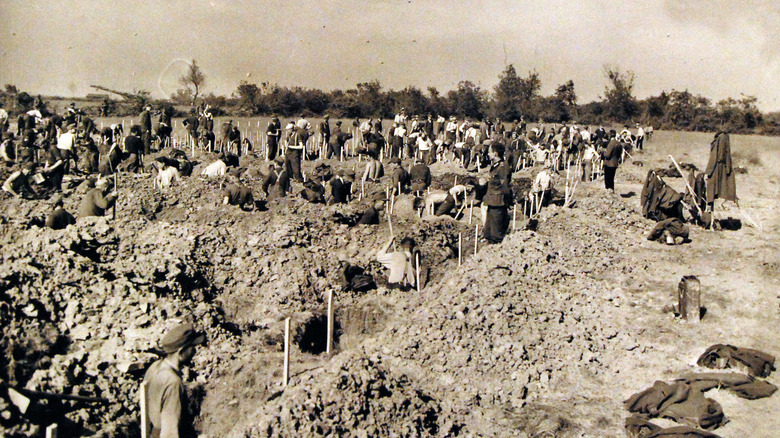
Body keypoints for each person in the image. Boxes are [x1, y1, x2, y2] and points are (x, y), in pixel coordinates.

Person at [143, 322, 205, 438]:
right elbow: (170, 432)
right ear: (181, 352)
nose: (195, 352)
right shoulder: (173, 382)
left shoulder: (155, 367)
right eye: (192, 348)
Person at [705, 131, 736, 207]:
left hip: (717, 168)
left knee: (711, 188)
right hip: (720, 167)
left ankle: (710, 208)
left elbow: (717, 156)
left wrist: (708, 172)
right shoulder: (725, 137)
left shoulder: (721, 137)